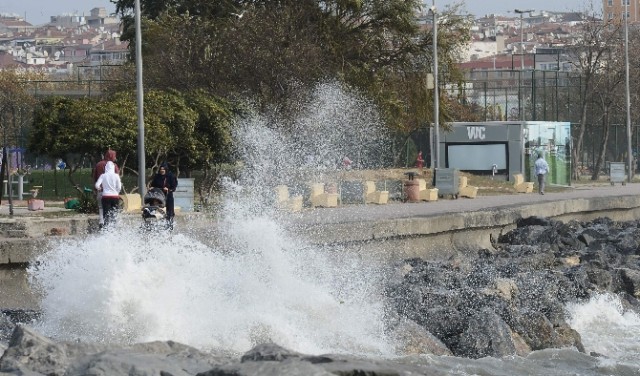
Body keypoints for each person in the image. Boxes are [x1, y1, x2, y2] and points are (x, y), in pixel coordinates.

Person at [93, 149, 119, 227]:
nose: (115, 158)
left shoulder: (98, 164)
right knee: (113, 210)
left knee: (101, 208)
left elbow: (95, 177)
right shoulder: (114, 166)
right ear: (111, 156)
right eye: (114, 156)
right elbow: (117, 176)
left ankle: (102, 223)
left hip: (101, 191)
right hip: (112, 193)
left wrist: (96, 189)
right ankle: (113, 225)